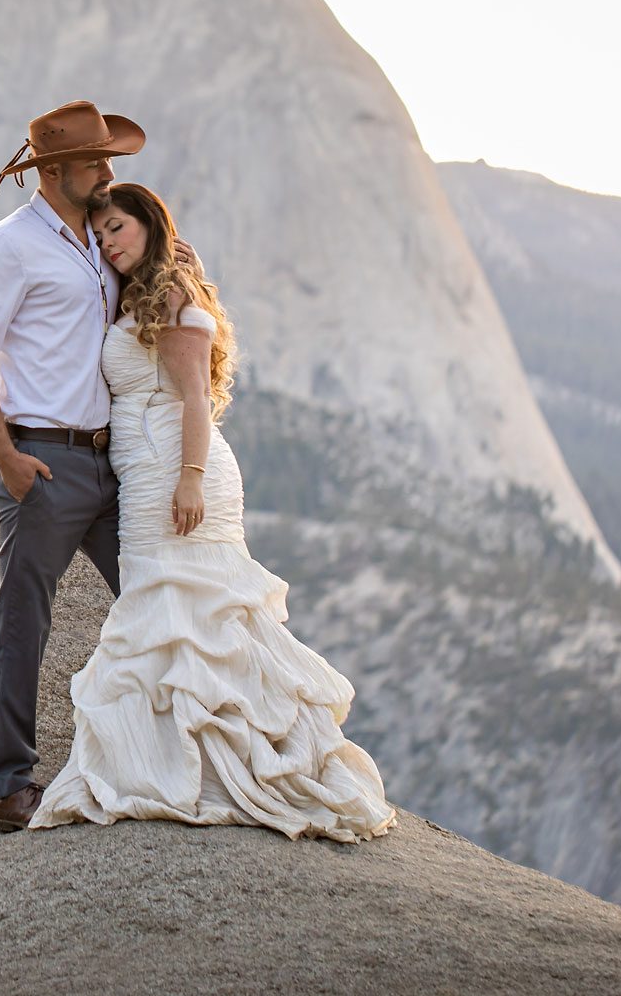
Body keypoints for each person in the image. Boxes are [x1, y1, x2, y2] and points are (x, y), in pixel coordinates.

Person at [25, 182, 396, 843]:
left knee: (191, 613)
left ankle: (209, 765)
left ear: (148, 223)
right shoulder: (146, 290)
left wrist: (190, 480)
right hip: (146, 473)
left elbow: (195, 398)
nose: (108, 242)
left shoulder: (168, 293)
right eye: (100, 234)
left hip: (179, 470)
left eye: (118, 228)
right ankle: (179, 761)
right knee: (166, 613)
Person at [0, 99, 182, 832]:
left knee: (155, 596)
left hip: (111, 462)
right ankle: (10, 784)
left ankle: (167, 754)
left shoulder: (101, 239)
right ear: (53, 172)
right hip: (43, 461)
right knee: (24, 623)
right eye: (95, 162)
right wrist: (7, 458)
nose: (108, 173)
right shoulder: (8, 247)